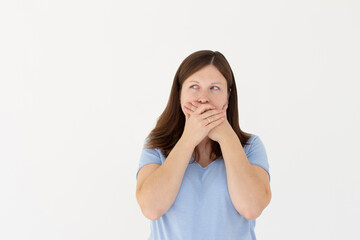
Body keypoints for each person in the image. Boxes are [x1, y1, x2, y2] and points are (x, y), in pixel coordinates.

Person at [135, 50, 271, 240]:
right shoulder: (156, 144)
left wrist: (226, 137)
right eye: (194, 86)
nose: (203, 98)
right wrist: (189, 139)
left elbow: (252, 208)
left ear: (228, 95)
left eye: (214, 88)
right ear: (179, 93)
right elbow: (151, 208)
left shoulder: (250, 146)